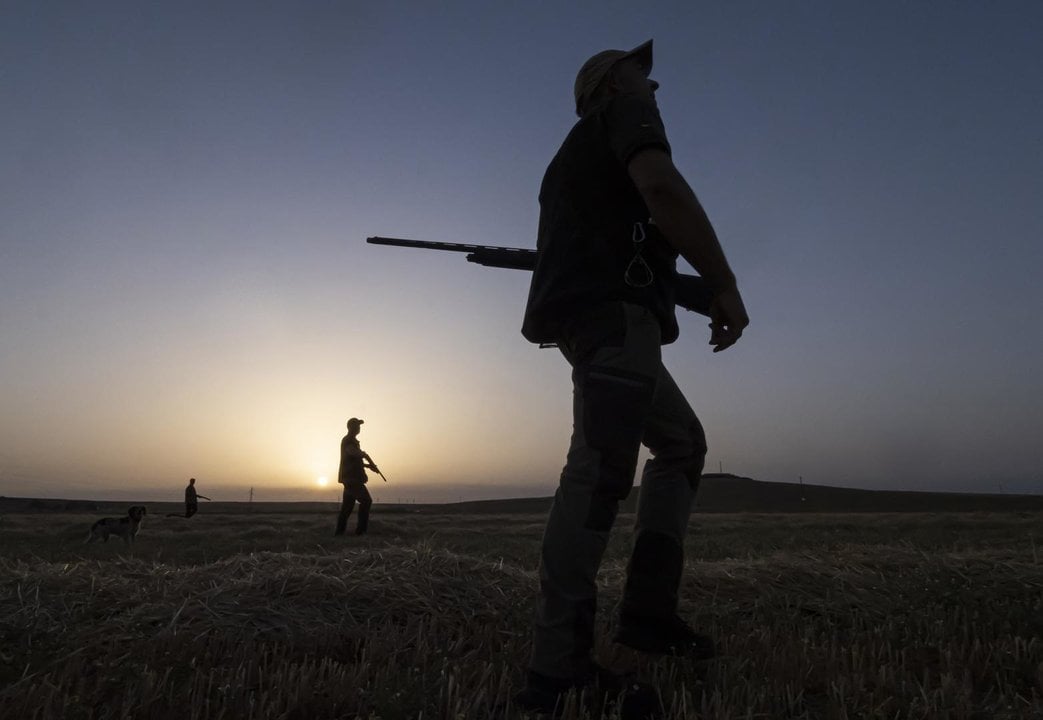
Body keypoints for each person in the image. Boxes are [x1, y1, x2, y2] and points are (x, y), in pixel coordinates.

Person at [514, 39, 749, 714]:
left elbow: (619, 239)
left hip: (605, 319)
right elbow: (661, 186)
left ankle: (647, 616)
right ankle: (556, 671)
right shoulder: (621, 119)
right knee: (598, 471)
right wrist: (723, 283)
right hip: (614, 323)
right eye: (637, 74)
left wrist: (683, 287)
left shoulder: (571, 161)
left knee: (679, 444)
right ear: (608, 87)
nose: (654, 86)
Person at [334, 417, 381, 536]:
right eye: (357, 426)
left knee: (347, 508)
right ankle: (361, 532)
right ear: (351, 427)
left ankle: (339, 534)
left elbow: (354, 460)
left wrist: (368, 465)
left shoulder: (352, 441)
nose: (359, 428)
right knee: (366, 501)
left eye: (359, 426)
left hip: (351, 479)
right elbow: (352, 453)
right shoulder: (348, 441)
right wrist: (364, 455)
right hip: (352, 479)